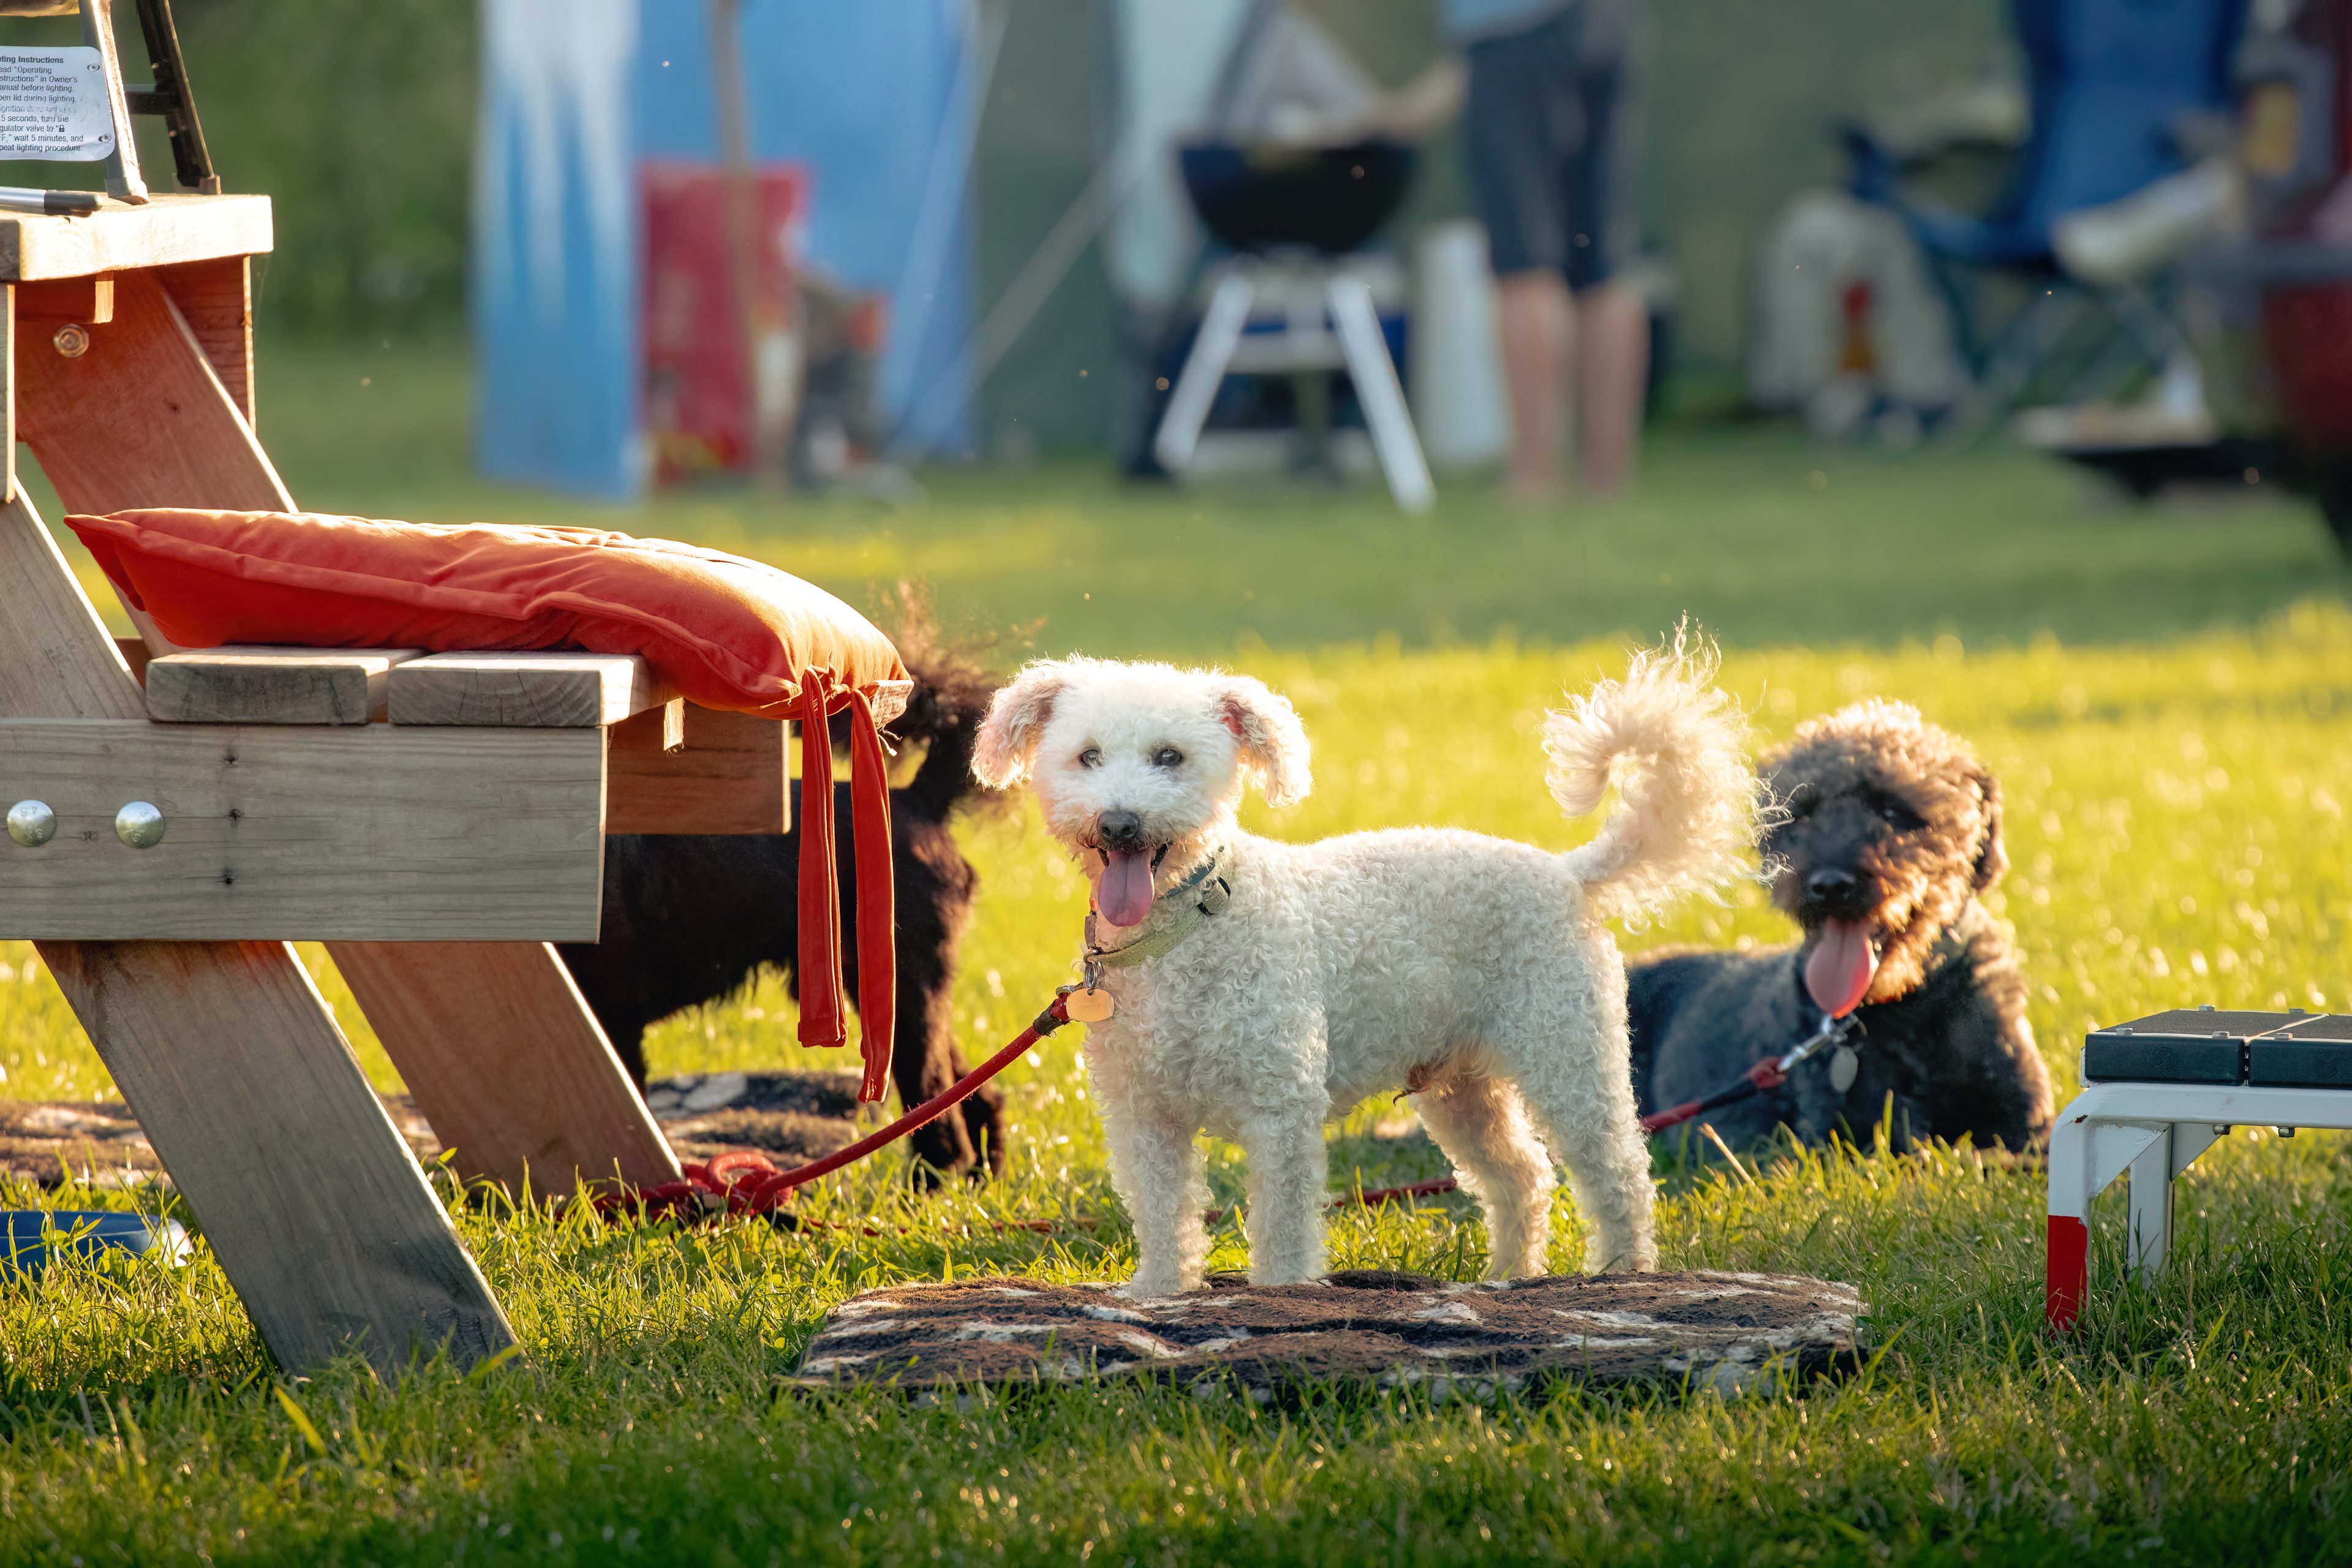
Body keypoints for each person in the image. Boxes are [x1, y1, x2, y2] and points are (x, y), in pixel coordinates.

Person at [1446, 0, 1649, 499]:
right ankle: (1607, 479)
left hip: (1515, 27)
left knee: (1524, 259)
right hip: (1607, 21)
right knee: (1601, 261)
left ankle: (1532, 480)